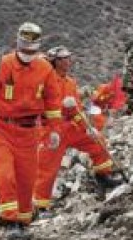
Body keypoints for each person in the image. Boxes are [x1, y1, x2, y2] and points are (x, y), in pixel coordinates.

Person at [0, 22, 62, 239]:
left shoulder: (45, 69)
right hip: (1, 128)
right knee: (4, 173)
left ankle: (19, 220)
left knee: (26, 179)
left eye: (32, 49)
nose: (28, 53)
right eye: (24, 48)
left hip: (30, 132)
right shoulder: (0, 65)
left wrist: (54, 130)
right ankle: (10, 220)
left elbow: (52, 102)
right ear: (17, 44)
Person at [33, 46, 122, 214]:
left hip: (69, 126)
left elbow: (77, 110)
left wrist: (88, 128)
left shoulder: (70, 82)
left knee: (97, 141)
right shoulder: (44, 81)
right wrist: (61, 106)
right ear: (54, 62)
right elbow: (38, 106)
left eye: (68, 57)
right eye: (63, 59)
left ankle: (103, 176)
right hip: (51, 129)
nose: (68, 61)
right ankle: (40, 205)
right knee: (47, 168)